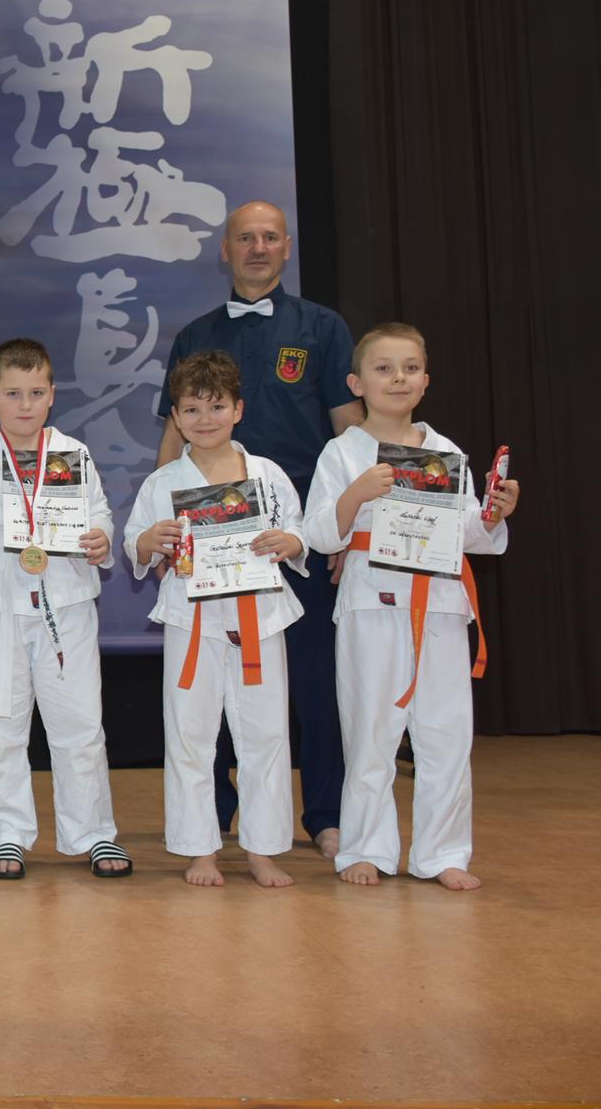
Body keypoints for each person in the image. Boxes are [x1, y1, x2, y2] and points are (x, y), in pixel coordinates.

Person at [154, 201, 361, 858]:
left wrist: (349, 529)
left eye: (270, 236)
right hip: (210, 534)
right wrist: (165, 523)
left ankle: (324, 813)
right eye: (245, 237)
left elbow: (351, 434)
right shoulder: (196, 334)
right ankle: (213, 815)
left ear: (286, 246)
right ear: (225, 249)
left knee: (314, 679)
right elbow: (172, 439)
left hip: (297, 531)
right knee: (211, 681)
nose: (258, 247)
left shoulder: (323, 327)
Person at [302, 323, 518, 890]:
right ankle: (366, 847)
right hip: (371, 605)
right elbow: (319, 534)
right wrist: (357, 492)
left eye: (410, 368)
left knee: (446, 733)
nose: (398, 378)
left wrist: (494, 513)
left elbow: (471, 534)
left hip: (440, 604)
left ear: (426, 380)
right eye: (384, 368)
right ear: (357, 383)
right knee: (370, 730)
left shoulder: (446, 452)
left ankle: (442, 853)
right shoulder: (342, 451)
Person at [0, 338, 131, 879]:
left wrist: (100, 539)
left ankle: (93, 833)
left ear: (52, 395)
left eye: (36, 393)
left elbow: (99, 513)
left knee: (80, 723)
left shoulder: (73, 453)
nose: (25, 404)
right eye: (13, 393)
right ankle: (6, 833)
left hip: (66, 604)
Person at [126, 351, 308, 887]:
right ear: (176, 418)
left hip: (261, 619)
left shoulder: (268, 475)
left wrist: (290, 541)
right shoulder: (164, 482)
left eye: (216, 406)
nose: (205, 418)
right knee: (190, 735)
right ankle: (199, 849)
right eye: (192, 409)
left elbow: (298, 532)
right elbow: (134, 545)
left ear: (238, 410)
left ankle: (262, 849)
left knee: (266, 735)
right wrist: (149, 540)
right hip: (192, 622)